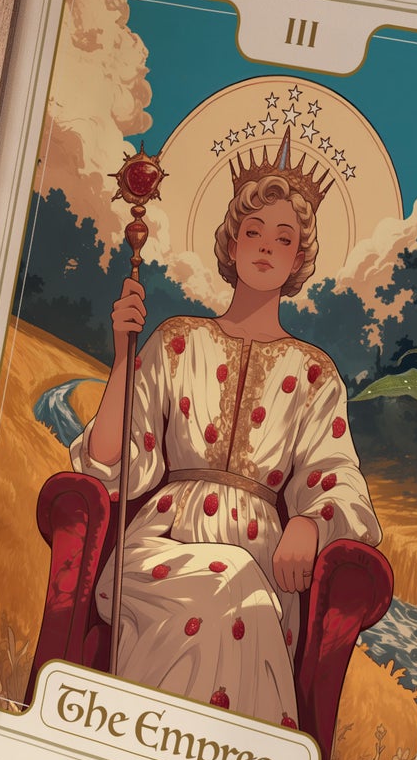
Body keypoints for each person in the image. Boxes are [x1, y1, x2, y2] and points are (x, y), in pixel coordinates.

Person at [69, 134, 382, 726]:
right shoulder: (177, 339)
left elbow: (342, 485)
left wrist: (313, 525)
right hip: (162, 548)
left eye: (284, 239)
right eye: (254, 232)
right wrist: (120, 358)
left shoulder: (314, 374)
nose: (267, 247)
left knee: (240, 587)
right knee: (224, 582)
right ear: (231, 244)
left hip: (263, 567)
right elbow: (108, 462)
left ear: (299, 261)